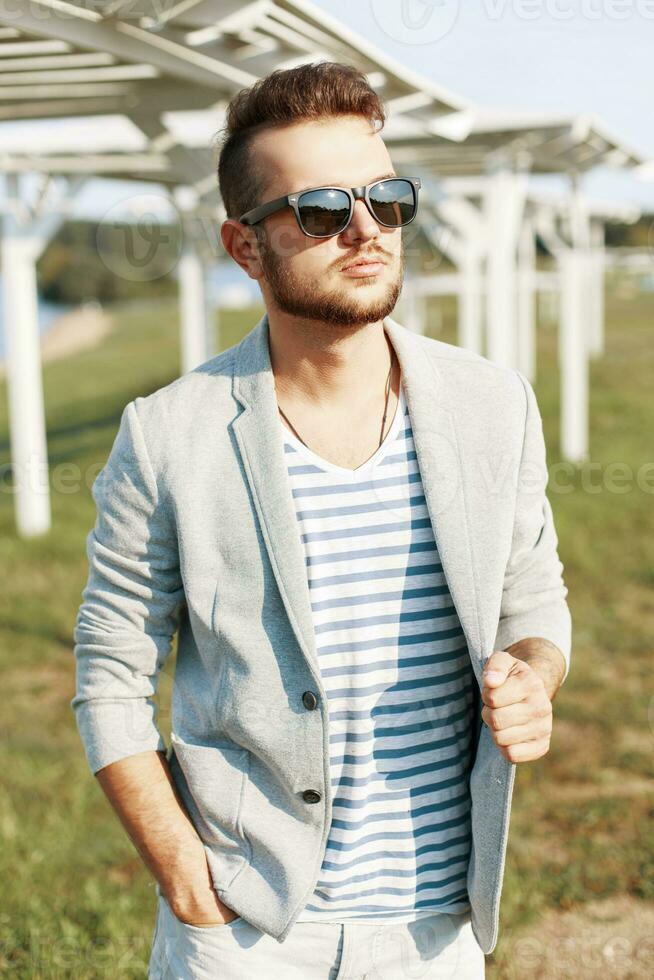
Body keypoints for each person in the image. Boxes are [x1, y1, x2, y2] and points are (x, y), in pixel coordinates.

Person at [72, 61, 572, 979]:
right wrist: (187, 879)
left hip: (440, 931)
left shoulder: (493, 405)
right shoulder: (166, 434)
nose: (365, 229)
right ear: (243, 245)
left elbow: (532, 602)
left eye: (387, 198)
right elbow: (110, 676)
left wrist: (533, 675)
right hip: (247, 929)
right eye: (320, 209)